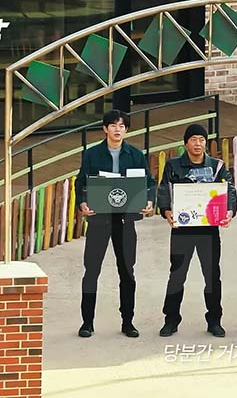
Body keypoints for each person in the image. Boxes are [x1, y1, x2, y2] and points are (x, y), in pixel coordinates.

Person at [74, 110, 156, 339]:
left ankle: (128, 321)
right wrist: (82, 202)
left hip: (125, 220)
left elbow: (148, 182)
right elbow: (80, 182)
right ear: (105, 129)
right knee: (91, 270)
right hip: (99, 219)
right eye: (113, 125)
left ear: (126, 130)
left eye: (122, 126)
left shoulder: (135, 155)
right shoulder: (92, 154)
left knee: (127, 272)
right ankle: (87, 322)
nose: (117, 129)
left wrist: (149, 201)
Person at [157, 124, 237, 338]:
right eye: (193, 139)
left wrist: (230, 211)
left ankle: (214, 320)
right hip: (182, 229)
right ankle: (171, 320)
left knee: (212, 276)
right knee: (177, 275)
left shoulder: (217, 166)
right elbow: (164, 190)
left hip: (208, 230)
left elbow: (229, 190)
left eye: (201, 140)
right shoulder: (173, 165)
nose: (198, 144)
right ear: (186, 143)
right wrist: (166, 211)